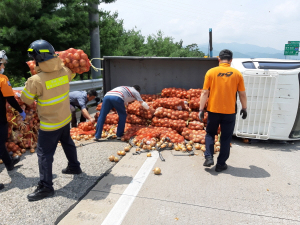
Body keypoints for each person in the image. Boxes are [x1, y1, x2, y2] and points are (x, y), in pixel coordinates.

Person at [21, 40, 82, 201]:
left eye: (33, 56)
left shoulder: (35, 80)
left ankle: (46, 187)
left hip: (49, 124)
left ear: (39, 57)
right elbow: (72, 73)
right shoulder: (65, 71)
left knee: (44, 154)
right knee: (68, 142)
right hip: (64, 118)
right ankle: (74, 166)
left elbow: (26, 99)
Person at [199, 49, 247, 172]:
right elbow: (242, 94)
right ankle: (221, 164)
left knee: (210, 134)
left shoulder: (211, 72)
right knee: (225, 138)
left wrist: (201, 109)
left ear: (219, 59)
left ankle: (209, 157)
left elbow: (205, 92)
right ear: (231, 60)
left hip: (213, 110)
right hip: (229, 112)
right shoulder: (237, 74)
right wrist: (244, 108)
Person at [0, 50, 26, 190]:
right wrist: (21, 111)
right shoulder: (2, 79)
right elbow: (10, 98)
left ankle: (9, 164)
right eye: (3, 62)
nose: (4, 65)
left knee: (1, 143)